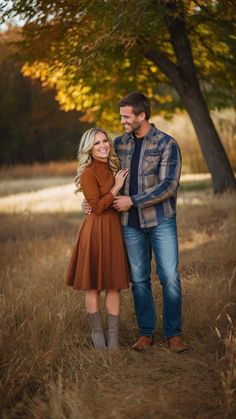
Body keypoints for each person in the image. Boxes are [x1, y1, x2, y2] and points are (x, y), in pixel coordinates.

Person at [84, 92, 188, 353]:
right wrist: (89, 201)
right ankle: (146, 333)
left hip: (160, 220)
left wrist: (133, 200)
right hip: (130, 224)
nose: (122, 121)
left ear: (142, 115)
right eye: (121, 116)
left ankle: (173, 334)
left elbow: (169, 186)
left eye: (126, 116)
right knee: (140, 280)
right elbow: (101, 174)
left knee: (169, 277)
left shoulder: (167, 144)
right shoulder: (120, 144)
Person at [65, 128, 130, 350]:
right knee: (92, 286)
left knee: (114, 286)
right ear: (89, 150)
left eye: (104, 141)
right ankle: (97, 337)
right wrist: (116, 188)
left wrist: (116, 188)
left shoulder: (115, 166)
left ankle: (113, 340)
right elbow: (98, 207)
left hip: (113, 231)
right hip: (94, 232)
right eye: (96, 144)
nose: (103, 145)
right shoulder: (87, 173)